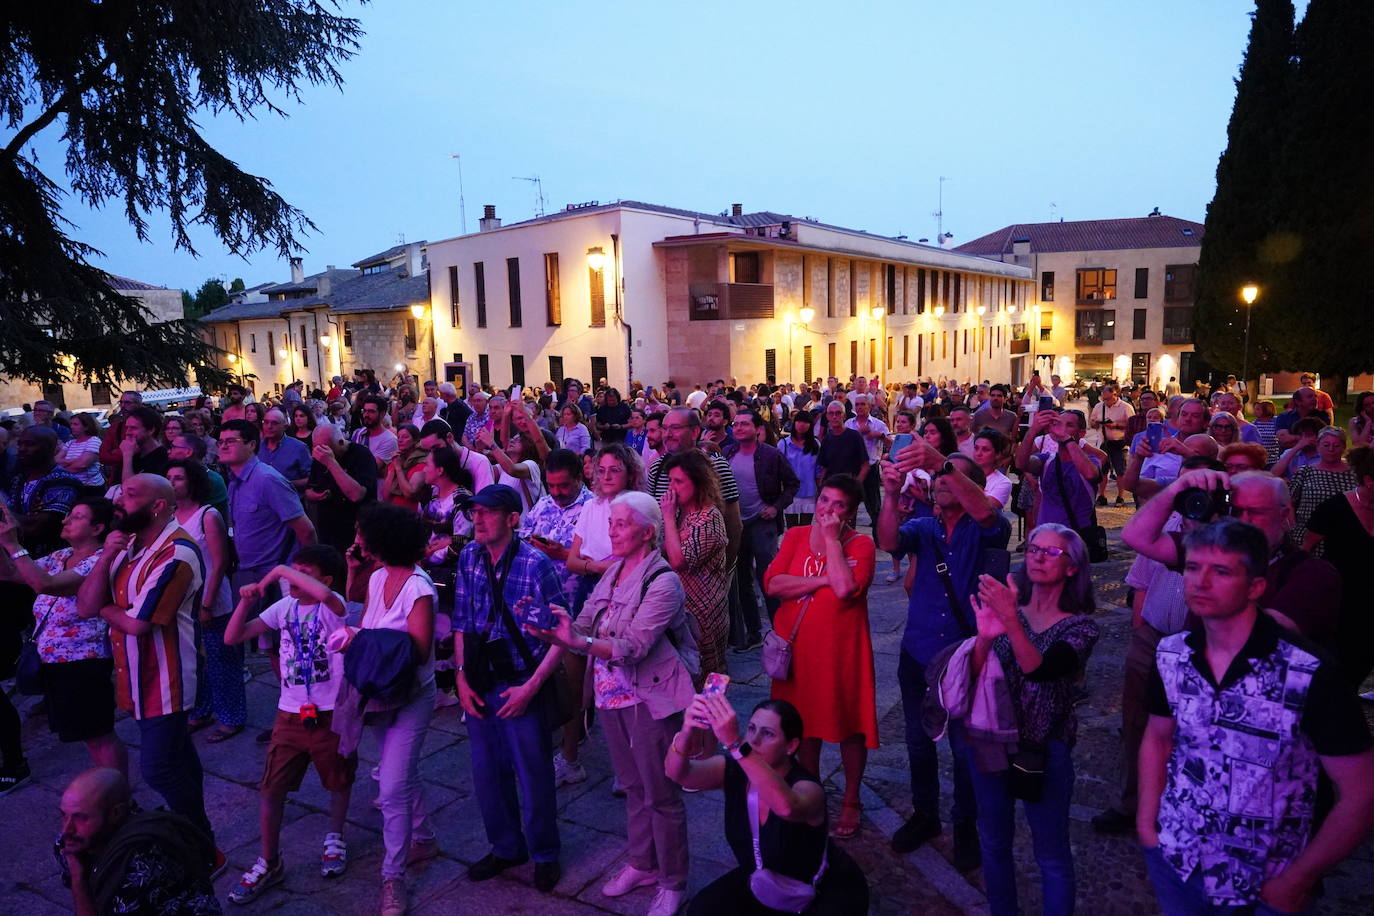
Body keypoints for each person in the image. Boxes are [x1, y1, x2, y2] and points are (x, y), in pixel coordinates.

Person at [1138, 518, 1374, 914]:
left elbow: (1362, 791)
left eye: (1222, 571)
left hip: (1264, 880)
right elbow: (1158, 737)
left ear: (1256, 587)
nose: (1200, 582)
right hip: (1179, 861)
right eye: (1193, 568)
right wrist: (1148, 824)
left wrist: (1298, 880)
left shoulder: (1309, 672)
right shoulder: (1172, 654)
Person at [530, 491, 697, 916]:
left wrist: (580, 641)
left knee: (661, 793)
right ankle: (643, 863)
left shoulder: (663, 581)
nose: (612, 530)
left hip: (649, 696)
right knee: (635, 787)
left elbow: (635, 646)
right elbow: (583, 621)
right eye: (611, 523)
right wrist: (551, 628)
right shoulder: (616, 571)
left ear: (647, 532)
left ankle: (673, 879)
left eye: (621, 524)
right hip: (610, 696)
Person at [879, 444, 1009, 867]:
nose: (939, 484)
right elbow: (888, 541)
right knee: (918, 742)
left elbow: (989, 515)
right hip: (916, 651)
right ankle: (925, 815)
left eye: (950, 478)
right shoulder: (925, 527)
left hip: (963, 656)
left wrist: (942, 463)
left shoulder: (985, 528)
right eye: (937, 479)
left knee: (963, 747)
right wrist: (888, 494)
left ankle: (965, 826)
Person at [964, 525, 1100, 916]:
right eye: (1035, 548)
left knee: (1051, 853)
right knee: (993, 842)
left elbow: (1038, 669)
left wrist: (1008, 620)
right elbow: (974, 675)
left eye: (1052, 553)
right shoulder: (1007, 612)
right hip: (991, 744)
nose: (1038, 556)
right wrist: (987, 636)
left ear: (1073, 567)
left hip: (1045, 751)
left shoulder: (1080, 627)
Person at [75, 474, 215, 850]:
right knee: (178, 759)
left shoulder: (178, 553)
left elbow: (138, 624)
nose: (120, 498)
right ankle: (199, 839)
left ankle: (200, 843)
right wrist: (106, 556)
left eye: (131, 494)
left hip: (166, 681)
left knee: (158, 768)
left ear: (156, 506)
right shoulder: (127, 543)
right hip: (135, 678)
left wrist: (107, 607)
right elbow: (85, 605)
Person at [452, 485, 567, 893]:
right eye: (474, 512)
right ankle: (505, 846)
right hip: (481, 679)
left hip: (522, 681)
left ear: (512, 519)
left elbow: (561, 635)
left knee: (533, 774)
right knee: (487, 775)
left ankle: (544, 853)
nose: (477, 519)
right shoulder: (469, 556)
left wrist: (532, 689)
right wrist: (461, 678)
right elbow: (462, 622)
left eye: (487, 512)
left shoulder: (536, 564)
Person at [223, 547, 355, 902]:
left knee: (337, 778)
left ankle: (335, 836)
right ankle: (269, 860)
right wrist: (244, 602)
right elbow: (233, 637)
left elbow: (327, 595)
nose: (291, 579)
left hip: (330, 711)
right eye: (293, 572)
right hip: (290, 712)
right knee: (272, 787)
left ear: (325, 578)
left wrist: (280, 568)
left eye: (303, 573)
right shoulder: (285, 609)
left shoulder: (332, 606)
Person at [666, 698, 870, 915]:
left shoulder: (808, 787)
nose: (753, 740)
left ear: (791, 746)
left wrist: (737, 745)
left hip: (822, 891)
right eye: (751, 728)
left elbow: (787, 807)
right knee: (701, 910)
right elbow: (678, 774)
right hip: (765, 882)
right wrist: (687, 729)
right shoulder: (734, 770)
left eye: (768, 733)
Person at [764, 474, 878, 840]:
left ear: (851, 511)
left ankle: (851, 798)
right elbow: (772, 583)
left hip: (842, 653)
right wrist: (820, 580)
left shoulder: (861, 545)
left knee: (850, 727)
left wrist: (831, 542)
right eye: (825, 500)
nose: (827, 509)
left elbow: (846, 589)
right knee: (803, 728)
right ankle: (810, 790)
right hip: (797, 653)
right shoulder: (795, 536)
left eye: (838, 504)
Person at [342, 504, 438, 916]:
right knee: (401, 772)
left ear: (382, 540)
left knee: (391, 788)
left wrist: (359, 641)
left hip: (411, 694)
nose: (358, 541)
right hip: (380, 690)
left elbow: (417, 650)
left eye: (363, 535)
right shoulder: (378, 575)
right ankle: (424, 839)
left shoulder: (420, 589)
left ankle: (392, 876)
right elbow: (367, 623)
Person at [0, 498, 126, 774]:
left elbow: (45, 584)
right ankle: (111, 793)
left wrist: (13, 545)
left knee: (98, 735)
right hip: (55, 660)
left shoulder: (99, 559)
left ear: (97, 528)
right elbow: (11, 573)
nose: (66, 520)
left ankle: (120, 797)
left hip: (84, 660)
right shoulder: (60, 556)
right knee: (87, 735)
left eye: (77, 517)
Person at [56, 768, 221, 916]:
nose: (66, 830)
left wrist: (78, 878)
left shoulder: (142, 861)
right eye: (64, 815)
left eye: (80, 818)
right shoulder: (73, 842)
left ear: (116, 813)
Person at [167, 460, 242, 743]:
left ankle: (231, 717)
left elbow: (220, 562)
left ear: (193, 483)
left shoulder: (207, 516)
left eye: (179, 478)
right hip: (182, 602)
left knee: (222, 661)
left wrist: (207, 604)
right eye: (169, 478)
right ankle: (201, 711)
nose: (172, 483)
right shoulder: (171, 516)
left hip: (211, 597)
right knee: (192, 661)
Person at [724, 409, 800, 646]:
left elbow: (792, 484)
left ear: (757, 429)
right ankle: (754, 632)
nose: (738, 428)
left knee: (768, 576)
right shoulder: (728, 453)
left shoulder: (771, 455)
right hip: (737, 524)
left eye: (744, 424)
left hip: (762, 523)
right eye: (736, 424)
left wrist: (776, 507)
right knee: (742, 578)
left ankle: (781, 629)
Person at [1304, 445, 1374, 691]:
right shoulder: (1335, 507)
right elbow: (1306, 549)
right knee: (1340, 661)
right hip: (1340, 597)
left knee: (1364, 659)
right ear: (1369, 481)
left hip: (1370, 601)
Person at [660, 450, 730, 683]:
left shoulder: (709, 518)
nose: (672, 487)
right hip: (681, 608)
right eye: (670, 481)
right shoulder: (681, 513)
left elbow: (679, 561)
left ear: (698, 482)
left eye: (679, 481)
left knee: (707, 675)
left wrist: (667, 518)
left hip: (704, 613)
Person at [1020, 410, 1102, 532]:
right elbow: (1021, 463)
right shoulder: (1047, 461)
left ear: (1082, 433)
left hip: (1076, 537)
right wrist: (1033, 430)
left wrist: (1066, 438)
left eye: (1069, 425)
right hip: (1047, 535)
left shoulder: (1092, 461)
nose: (1062, 429)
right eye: (1060, 424)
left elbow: (1090, 474)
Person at [307, 421, 377, 553]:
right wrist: (315, 496)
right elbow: (309, 489)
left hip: (355, 528)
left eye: (325, 448)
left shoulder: (361, 455)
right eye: (317, 448)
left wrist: (331, 462)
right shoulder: (320, 455)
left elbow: (356, 495)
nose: (320, 453)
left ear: (340, 442)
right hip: (328, 527)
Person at [1285, 426, 1355, 552]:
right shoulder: (1305, 472)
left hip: (1347, 536)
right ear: (1318, 446)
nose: (1331, 449)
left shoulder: (1355, 474)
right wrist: (1293, 527)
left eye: (1336, 445)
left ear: (1344, 447)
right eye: (1326, 445)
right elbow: (1288, 501)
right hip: (1307, 536)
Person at [843, 395, 889, 533]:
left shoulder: (878, 424)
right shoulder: (848, 424)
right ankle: (849, 536)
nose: (860, 407)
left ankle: (879, 538)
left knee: (874, 506)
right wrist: (858, 433)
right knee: (850, 505)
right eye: (857, 404)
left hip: (871, 468)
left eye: (863, 404)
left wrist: (879, 435)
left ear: (869, 406)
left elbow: (892, 443)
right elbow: (843, 444)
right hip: (852, 468)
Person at [1089, 384, 1133, 507]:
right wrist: (1096, 423)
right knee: (1103, 471)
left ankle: (1120, 497)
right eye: (1104, 399)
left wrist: (1116, 425)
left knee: (1120, 471)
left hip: (1119, 442)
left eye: (1108, 399)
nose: (1106, 401)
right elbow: (1092, 422)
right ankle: (1102, 495)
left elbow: (1132, 425)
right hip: (1103, 442)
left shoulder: (1125, 407)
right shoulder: (1099, 406)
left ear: (1116, 394)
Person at [779, 410, 821, 528]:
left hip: (809, 492)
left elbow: (818, 470)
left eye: (806, 422)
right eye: (799, 421)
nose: (802, 424)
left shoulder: (816, 444)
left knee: (805, 528)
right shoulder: (784, 444)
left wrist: (821, 491)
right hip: (790, 493)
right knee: (792, 529)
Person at [258, 408, 312, 490]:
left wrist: (286, 484)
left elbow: (311, 478)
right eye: (266, 422)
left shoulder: (299, 448)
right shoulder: (257, 448)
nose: (269, 426)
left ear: (284, 426)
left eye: (274, 423)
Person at [383, 424, 428, 510]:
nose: (400, 440)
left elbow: (409, 493)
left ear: (415, 440)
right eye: (399, 437)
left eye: (405, 437)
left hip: (409, 514)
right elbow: (385, 496)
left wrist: (398, 469)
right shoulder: (396, 461)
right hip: (392, 512)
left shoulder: (422, 463)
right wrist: (393, 469)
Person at [57, 413, 106, 492]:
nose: (72, 427)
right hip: (72, 486)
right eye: (71, 424)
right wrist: (77, 459)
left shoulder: (94, 440)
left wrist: (61, 471)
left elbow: (82, 464)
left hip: (90, 488)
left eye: (76, 424)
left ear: (86, 427)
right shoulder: (70, 443)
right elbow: (56, 461)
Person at [120, 405, 170, 481]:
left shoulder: (162, 457)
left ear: (150, 430)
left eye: (133, 428)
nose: (127, 432)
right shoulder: (136, 454)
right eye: (127, 427)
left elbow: (130, 487)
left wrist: (127, 455)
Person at [972, 430, 1013, 511]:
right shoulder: (963, 473)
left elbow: (986, 508)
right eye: (976, 448)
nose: (978, 453)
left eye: (985, 449)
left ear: (997, 454)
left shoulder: (1002, 482)